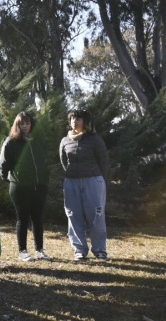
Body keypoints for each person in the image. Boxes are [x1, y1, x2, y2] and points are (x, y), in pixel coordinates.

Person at [0, 111, 52, 262]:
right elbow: (3, 164)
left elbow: (44, 159)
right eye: (21, 123)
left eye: (27, 123)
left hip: (39, 185)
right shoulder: (10, 142)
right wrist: (11, 179)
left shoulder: (38, 141)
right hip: (20, 187)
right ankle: (23, 251)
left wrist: (44, 176)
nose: (25, 126)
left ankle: (39, 250)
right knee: (22, 219)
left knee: (37, 218)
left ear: (31, 124)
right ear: (17, 125)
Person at [60, 108, 109, 261]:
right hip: (71, 182)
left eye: (78, 119)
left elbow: (104, 163)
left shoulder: (95, 139)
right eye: (72, 118)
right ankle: (80, 250)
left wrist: (101, 181)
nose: (75, 121)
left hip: (93, 181)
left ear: (85, 122)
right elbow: (64, 162)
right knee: (73, 216)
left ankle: (100, 250)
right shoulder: (65, 140)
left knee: (96, 216)